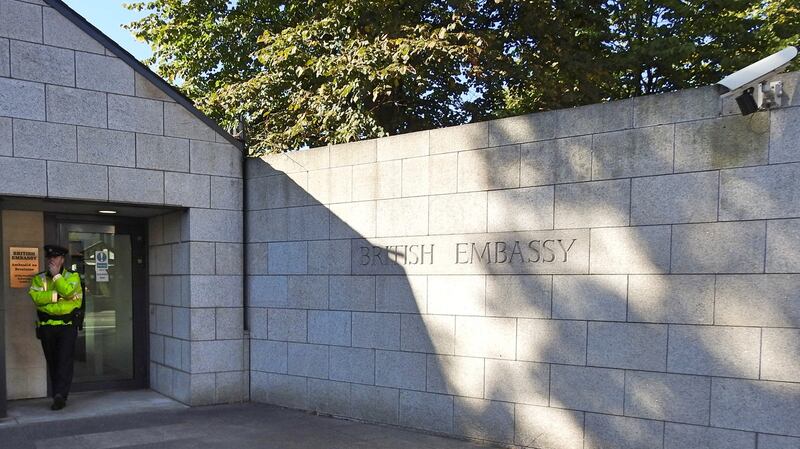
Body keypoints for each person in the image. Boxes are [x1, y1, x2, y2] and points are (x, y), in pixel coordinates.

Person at [28, 244, 83, 411]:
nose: (52, 260)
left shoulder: (73, 277)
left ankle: (60, 395)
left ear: (62, 259)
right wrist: (56, 296)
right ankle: (57, 393)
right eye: (50, 258)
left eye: (56, 257)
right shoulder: (39, 278)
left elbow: (69, 293)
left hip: (67, 326)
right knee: (53, 361)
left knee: (64, 361)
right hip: (46, 327)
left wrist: (57, 277)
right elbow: (36, 298)